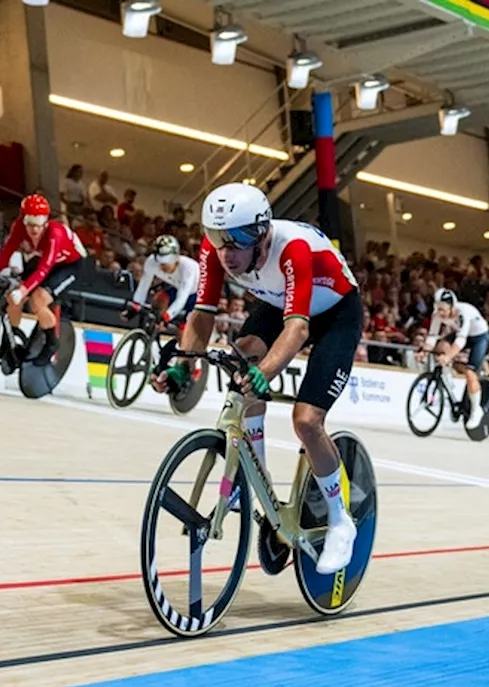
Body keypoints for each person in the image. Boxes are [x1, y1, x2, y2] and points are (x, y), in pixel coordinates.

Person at [154, 182, 361, 575]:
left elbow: (298, 329)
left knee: (305, 420)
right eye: (217, 240)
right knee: (245, 350)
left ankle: (340, 520)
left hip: (335, 314)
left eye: (235, 243)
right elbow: (201, 315)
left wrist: (264, 374)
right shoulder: (216, 253)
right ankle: (256, 477)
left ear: (261, 234)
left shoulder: (293, 248)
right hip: (278, 303)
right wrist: (183, 365)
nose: (225, 253)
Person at [0, 194, 86, 364]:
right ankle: (9, 342)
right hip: (46, 260)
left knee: (37, 300)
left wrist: (24, 290)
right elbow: (6, 252)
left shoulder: (55, 234)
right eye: (30, 225)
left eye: (39, 225)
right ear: (24, 220)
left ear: (46, 222)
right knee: (13, 298)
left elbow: (44, 269)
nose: (35, 231)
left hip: (70, 265)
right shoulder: (19, 226)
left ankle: (52, 344)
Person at [421, 287, 489, 428]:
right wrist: (423, 351)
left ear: (452, 306)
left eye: (443, 309)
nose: (440, 312)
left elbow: (460, 341)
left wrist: (448, 357)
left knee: (471, 373)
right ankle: (450, 373)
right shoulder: (437, 314)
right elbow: (432, 336)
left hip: (479, 337)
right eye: (437, 308)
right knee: (441, 346)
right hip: (462, 334)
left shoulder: (463, 313)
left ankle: (476, 411)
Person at [132, 235, 201, 373]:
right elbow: (144, 286)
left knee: (184, 332)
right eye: (160, 263)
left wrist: (167, 317)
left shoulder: (189, 267)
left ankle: (195, 365)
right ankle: (154, 339)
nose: (162, 267)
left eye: (166, 264)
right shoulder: (152, 262)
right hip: (175, 287)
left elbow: (182, 298)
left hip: (195, 294)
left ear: (176, 258)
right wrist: (135, 306)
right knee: (158, 300)